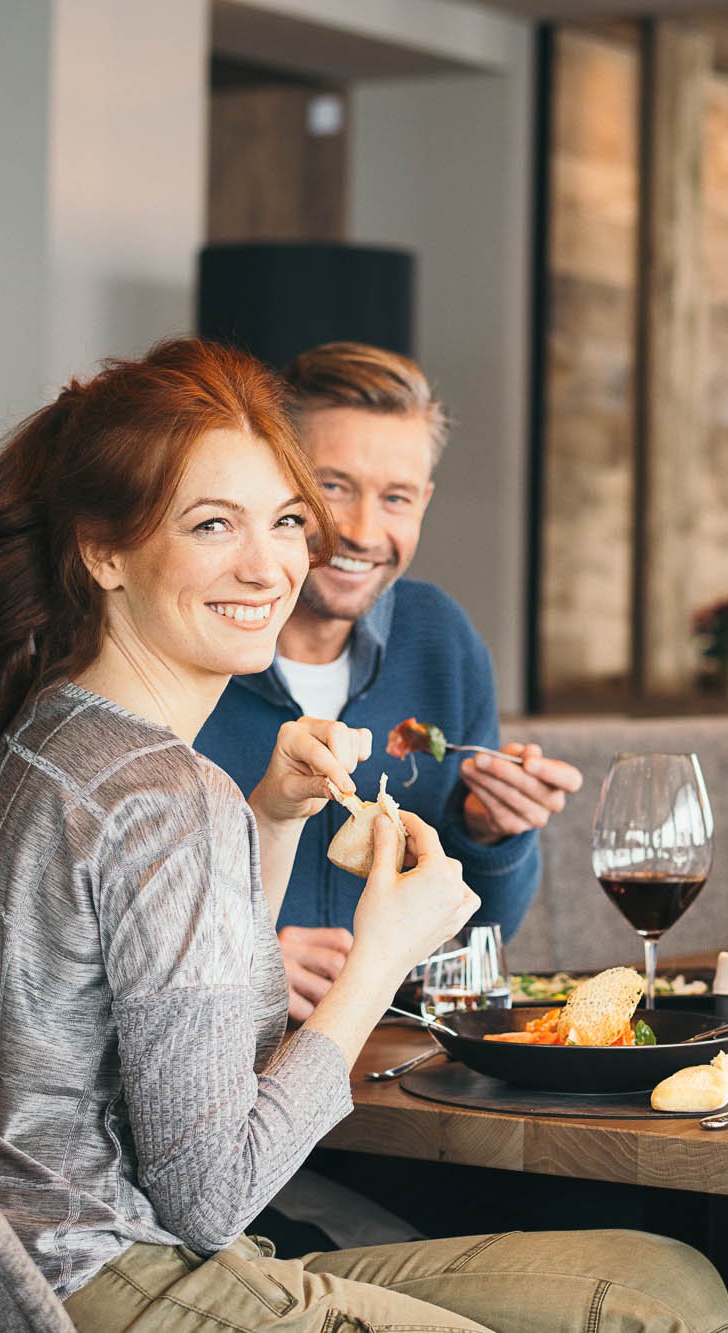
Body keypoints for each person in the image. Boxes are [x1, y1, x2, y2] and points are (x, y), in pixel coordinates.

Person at [0, 337, 728, 1333]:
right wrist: (379, 958)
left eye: (282, 522)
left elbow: (203, 1059)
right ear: (102, 549)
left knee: (667, 1284)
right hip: (111, 1280)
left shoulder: (60, 729)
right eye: (213, 524)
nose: (269, 566)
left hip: (23, 1257)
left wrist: (268, 821)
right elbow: (215, 1196)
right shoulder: (165, 791)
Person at [196, 341, 583, 1021]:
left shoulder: (443, 642)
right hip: (222, 1058)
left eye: (396, 497)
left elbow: (482, 932)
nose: (361, 530)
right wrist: (242, 960)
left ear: (425, 500)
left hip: (393, 1061)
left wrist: (491, 833)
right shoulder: (194, 643)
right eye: (333, 486)